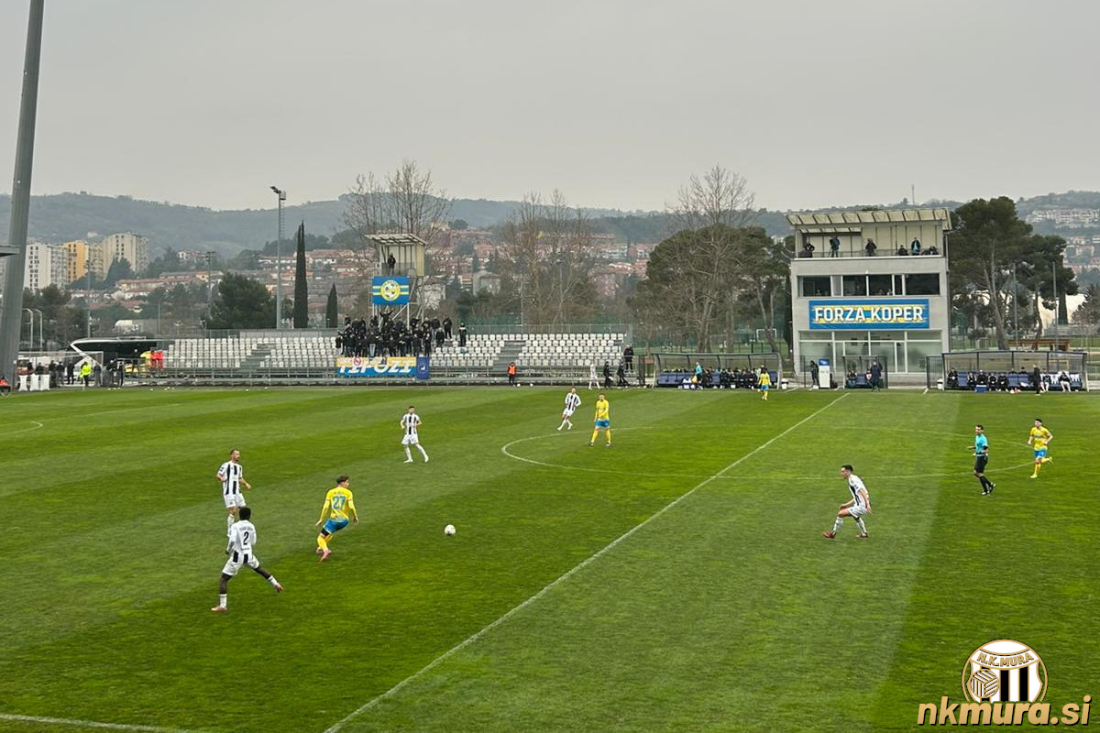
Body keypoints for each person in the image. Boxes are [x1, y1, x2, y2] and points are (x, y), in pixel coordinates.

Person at [210, 507, 283, 612]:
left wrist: (228, 550)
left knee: (224, 579)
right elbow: (253, 542)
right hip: (248, 554)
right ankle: (276, 584)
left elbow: (232, 540)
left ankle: (223, 606)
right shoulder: (251, 526)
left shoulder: (235, 526)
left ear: (240, 515)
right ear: (249, 516)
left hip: (237, 556)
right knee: (259, 569)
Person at [315, 474, 359, 562]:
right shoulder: (348, 493)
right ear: (342, 483)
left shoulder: (330, 492)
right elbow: (351, 507)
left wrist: (321, 519)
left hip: (334, 519)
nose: (348, 484)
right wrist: (355, 517)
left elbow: (326, 507)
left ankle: (325, 550)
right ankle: (320, 548)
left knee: (320, 538)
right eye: (347, 482)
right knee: (330, 532)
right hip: (344, 521)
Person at [822, 465, 870, 539]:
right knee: (856, 517)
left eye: (843, 471)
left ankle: (832, 534)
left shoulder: (853, 480)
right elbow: (856, 497)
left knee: (840, 513)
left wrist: (867, 504)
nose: (841, 473)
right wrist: (846, 505)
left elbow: (862, 491)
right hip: (860, 504)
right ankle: (864, 534)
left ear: (848, 472)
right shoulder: (853, 478)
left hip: (862, 506)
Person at [217, 449, 252, 538]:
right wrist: (221, 479)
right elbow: (218, 474)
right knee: (233, 511)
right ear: (231, 455)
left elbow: (239, 478)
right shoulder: (226, 465)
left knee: (243, 510)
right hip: (229, 492)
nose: (238, 456)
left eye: (239, 454)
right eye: (236, 454)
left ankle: (243, 529)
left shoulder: (239, 467)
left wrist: (246, 483)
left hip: (237, 492)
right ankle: (230, 531)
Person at [970, 424, 995, 496]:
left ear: (982, 430)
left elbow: (986, 450)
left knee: (979, 474)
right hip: (979, 457)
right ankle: (988, 487)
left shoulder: (983, 438)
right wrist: (974, 447)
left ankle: (988, 488)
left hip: (982, 458)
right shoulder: (977, 437)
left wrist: (977, 452)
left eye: (978, 429)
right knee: (976, 473)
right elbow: (979, 446)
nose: (977, 431)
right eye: (976, 429)